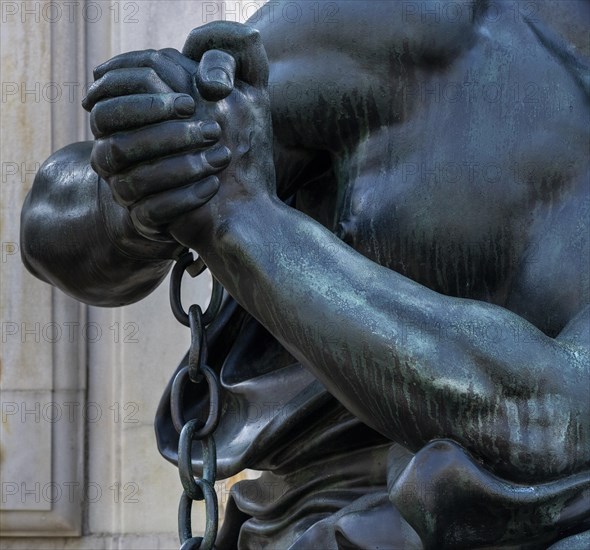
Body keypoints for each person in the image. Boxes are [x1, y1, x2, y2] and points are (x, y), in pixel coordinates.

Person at [21, 1, 589, 547]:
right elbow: (52, 225)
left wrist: (241, 220)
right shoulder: (414, 23)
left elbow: (545, 423)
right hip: (337, 518)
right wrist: (155, 169)